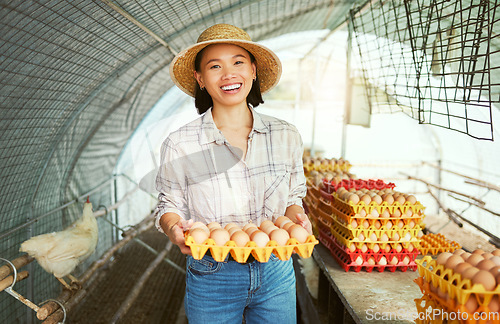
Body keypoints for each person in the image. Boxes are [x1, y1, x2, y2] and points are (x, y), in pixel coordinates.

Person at [155, 23, 312, 324]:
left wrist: (296, 220)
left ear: (253, 70)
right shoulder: (181, 143)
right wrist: (175, 228)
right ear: (200, 79)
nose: (228, 74)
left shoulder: (286, 135)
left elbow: (293, 198)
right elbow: (168, 205)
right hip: (212, 274)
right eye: (215, 66)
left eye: (238, 62)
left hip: (276, 269)